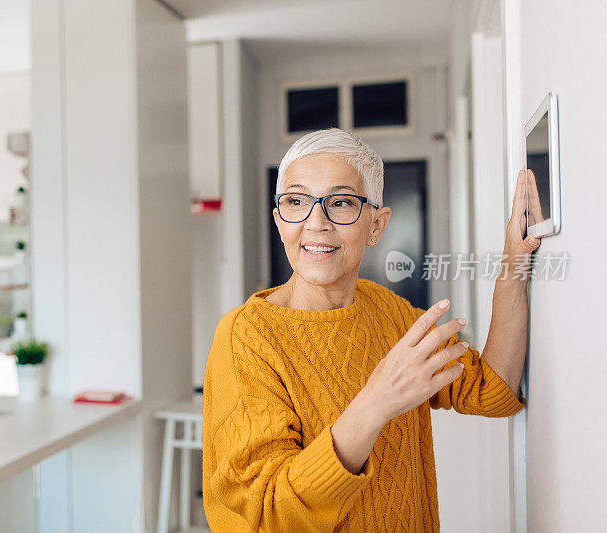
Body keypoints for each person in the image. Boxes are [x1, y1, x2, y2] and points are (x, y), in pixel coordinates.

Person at [202, 128, 540, 532]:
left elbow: (492, 392)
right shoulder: (246, 336)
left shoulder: (387, 311)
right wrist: (376, 403)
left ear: (377, 225)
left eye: (341, 202)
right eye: (297, 201)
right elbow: (272, 516)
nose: (316, 223)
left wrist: (514, 268)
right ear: (279, 220)